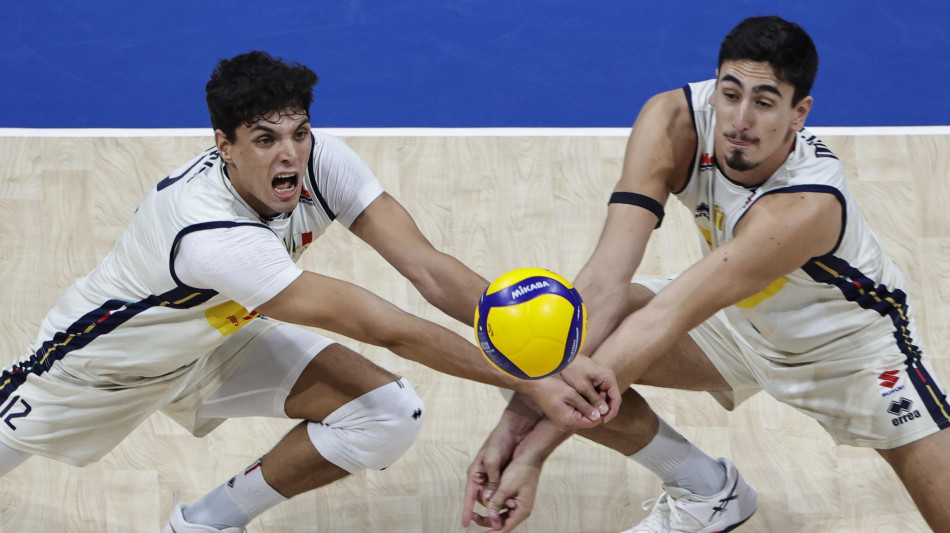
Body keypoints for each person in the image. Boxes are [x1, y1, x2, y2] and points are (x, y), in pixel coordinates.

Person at [0, 51, 621, 533]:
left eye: (299, 132)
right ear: (224, 145)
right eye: (266, 139)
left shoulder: (321, 164)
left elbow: (428, 269)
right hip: (99, 368)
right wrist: (529, 379)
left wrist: (551, 355)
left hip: (216, 341)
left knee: (386, 415)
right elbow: (389, 328)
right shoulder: (209, 234)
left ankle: (206, 522)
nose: (290, 155)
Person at [461, 15, 950, 533]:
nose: (740, 119)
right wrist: (509, 430)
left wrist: (531, 454)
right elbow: (601, 284)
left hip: (847, 353)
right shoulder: (674, 121)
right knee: (542, 338)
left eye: (764, 102)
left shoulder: (805, 206)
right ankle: (706, 491)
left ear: (798, 113)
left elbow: (664, 321)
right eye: (730, 92)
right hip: (737, 323)